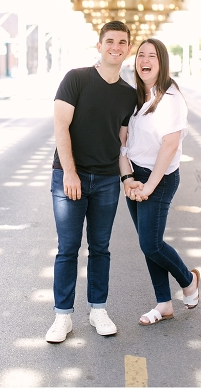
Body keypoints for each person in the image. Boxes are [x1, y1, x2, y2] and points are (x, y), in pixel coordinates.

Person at [46, 20, 138, 344]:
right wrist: (70, 173)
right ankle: (62, 316)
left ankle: (98, 310)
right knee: (68, 248)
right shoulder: (76, 79)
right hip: (69, 176)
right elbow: (60, 127)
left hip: (107, 182)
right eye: (110, 41)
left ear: (128, 48)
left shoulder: (129, 96)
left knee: (100, 248)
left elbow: (121, 143)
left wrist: (126, 178)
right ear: (99, 46)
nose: (116, 46)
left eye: (122, 42)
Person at [119, 38, 199, 325]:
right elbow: (124, 143)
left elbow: (169, 145)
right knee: (147, 242)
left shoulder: (171, 98)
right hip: (136, 178)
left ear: (161, 62)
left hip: (160, 179)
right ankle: (164, 303)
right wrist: (128, 179)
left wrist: (149, 187)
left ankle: (188, 280)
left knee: (151, 244)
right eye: (141, 55)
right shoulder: (138, 97)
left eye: (152, 55)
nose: (145, 60)